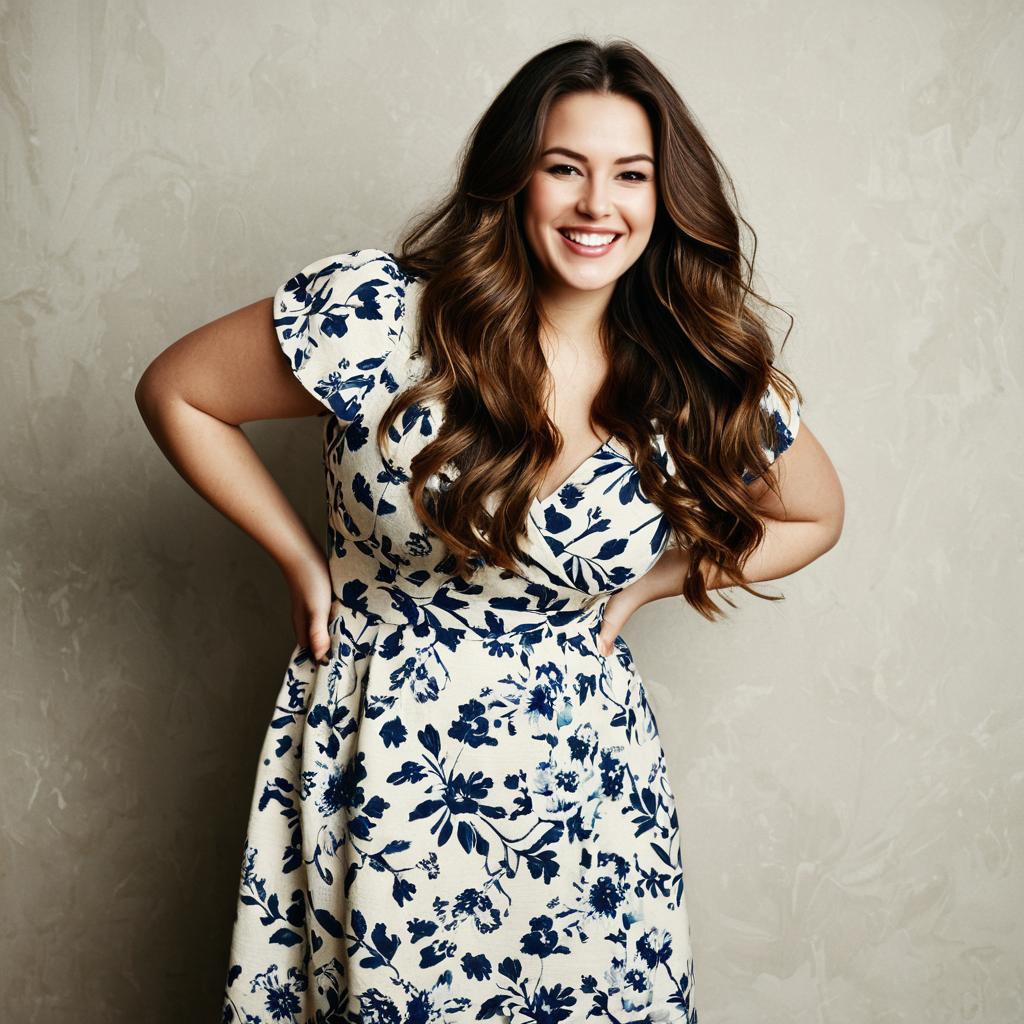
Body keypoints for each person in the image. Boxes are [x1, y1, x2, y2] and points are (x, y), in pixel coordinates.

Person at [136, 36, 843, 1024]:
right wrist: (300, 559)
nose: (597, 205)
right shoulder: (384, 316)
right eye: (565, 168)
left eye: (630, 175)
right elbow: (178, 391)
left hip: (586, 789)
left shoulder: (690, 368)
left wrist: (652, 583)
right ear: (514, 177)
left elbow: (814, 512)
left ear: (664, 195)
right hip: (383, 759)